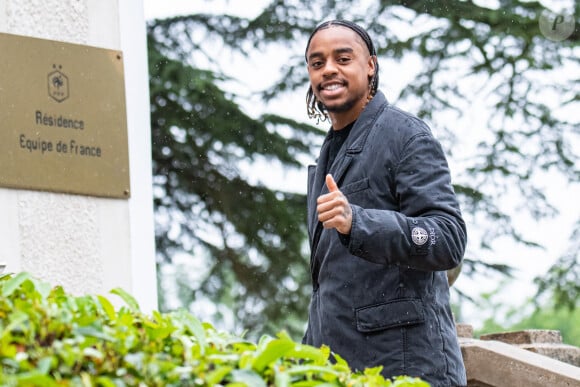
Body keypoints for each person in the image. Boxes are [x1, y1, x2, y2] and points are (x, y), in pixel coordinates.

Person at [302, 20, 468, 387]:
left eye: (342, 58)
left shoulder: (405, 136)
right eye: (317, 63)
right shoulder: (329, 156)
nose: (328, 69)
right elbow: (330, 288)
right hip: (344, 373)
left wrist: (358, 222)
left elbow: (449, 238)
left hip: (409, 372)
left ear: (370, 66)